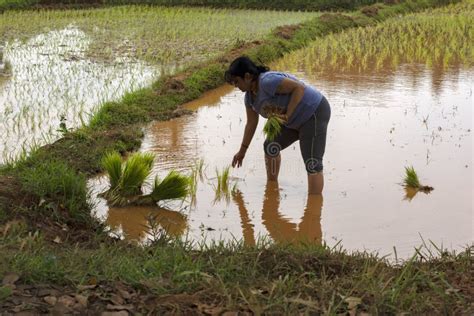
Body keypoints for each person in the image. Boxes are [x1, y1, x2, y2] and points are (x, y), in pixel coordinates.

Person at [225, 56, 331, 194]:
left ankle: (314, 210)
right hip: (292, 120)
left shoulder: (267, 82)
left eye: (237, 82)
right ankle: (272, 188)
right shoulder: (250, 98)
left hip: (313, 112)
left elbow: (299, 88)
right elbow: (251, 123)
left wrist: (287, 115)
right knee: (270, 146)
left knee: (312, 164)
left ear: (247, 76)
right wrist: (242, 152)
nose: (236, 86)